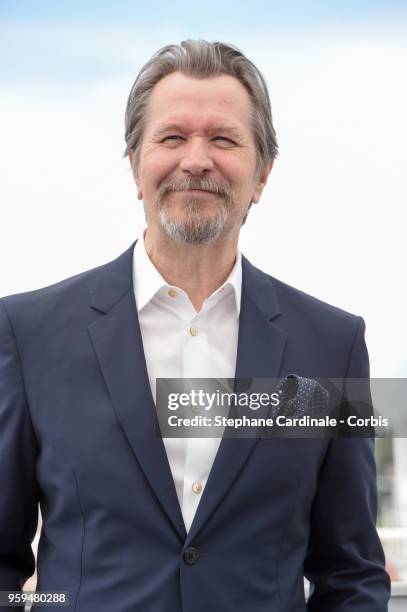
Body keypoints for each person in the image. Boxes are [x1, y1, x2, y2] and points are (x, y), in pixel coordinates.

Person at [0, 40, 390, 611]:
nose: (196, 160)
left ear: (261, 175)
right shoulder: (26, 333)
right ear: (136, 165)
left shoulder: (334, 346)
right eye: (173, 137)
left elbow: (351, 574)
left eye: (224, 139)